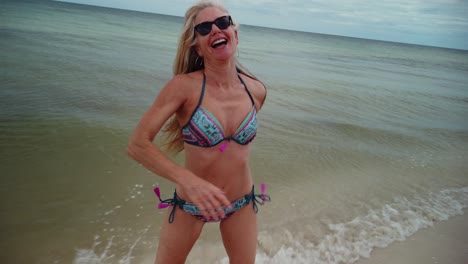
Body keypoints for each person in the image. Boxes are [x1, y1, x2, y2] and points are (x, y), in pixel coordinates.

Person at [127, 0, 269, 263]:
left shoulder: (256, 90)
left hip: (240, 204)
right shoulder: (183, 87)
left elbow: (232, 149)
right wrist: (187, 180)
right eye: (204, 28)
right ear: (197, 47)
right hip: (191, 205)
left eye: (223, 22)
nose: (216, 29)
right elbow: (137, 144)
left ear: (235, 34)